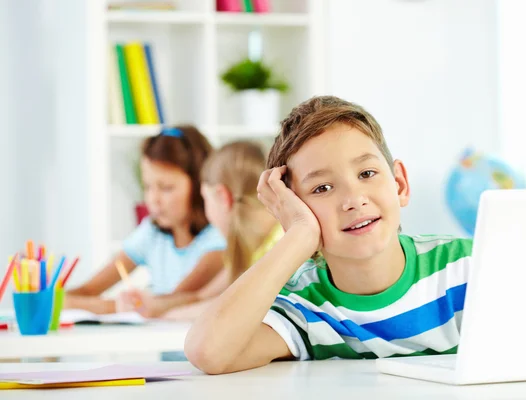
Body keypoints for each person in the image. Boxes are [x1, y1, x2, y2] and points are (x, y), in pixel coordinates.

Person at [183, 96, 473, 374]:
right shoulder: (303, 308)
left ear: (399, 184)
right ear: (292, 208)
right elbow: (207, 351)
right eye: (322, 188)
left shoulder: (469, 268)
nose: (354, 199)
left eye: (367, 173)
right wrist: (299, 235)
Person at [65, 125, 226, 314]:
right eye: (148, 187)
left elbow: (165, 305)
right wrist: (51, 298)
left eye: (166, 188)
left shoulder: (218, 240)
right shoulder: (151, 232)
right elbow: (89, 289)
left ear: (200, 187)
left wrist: (113, 306)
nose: (153, 199)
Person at [119, 141, 284, 320]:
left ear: (222, 196)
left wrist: (167, 314)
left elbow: (226, 308)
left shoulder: (279, 247)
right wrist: (152, 304)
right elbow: (203, 297)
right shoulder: (252, 248)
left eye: (205, 199)